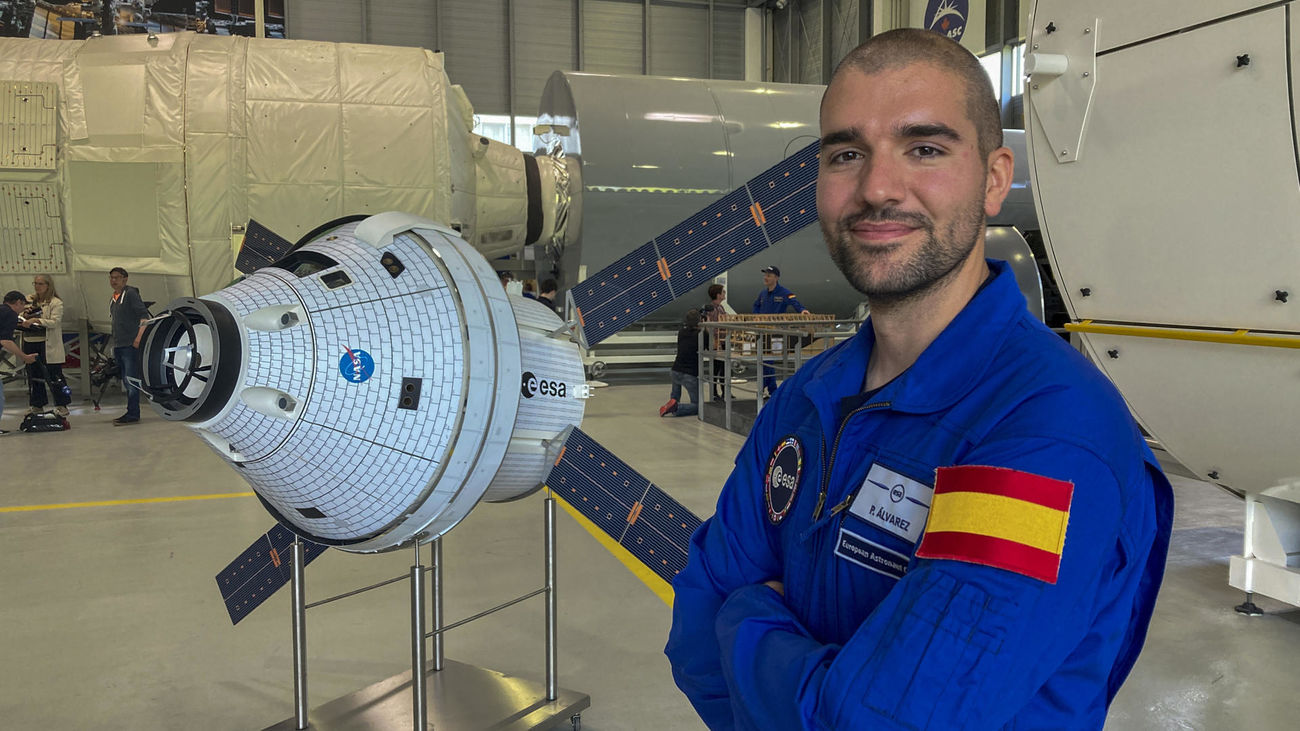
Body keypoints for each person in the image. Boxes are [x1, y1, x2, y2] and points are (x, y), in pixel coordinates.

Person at [665, 28, 1173, 730]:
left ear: (994, 179)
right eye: (846, 153)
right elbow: (692, 638)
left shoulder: (1050, 429)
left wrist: (749, 614)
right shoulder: (807, 400)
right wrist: (799, 667)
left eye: (925, 148)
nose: (876, 188)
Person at [18, 274, 72, 417]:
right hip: (30, 342)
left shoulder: (55, 302)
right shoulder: (29, 299)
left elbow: (55, 322)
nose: (37, 286)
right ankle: (37, 404)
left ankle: (62, 404)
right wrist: (25, 315)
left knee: (54, 374)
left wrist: (38, 320)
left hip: (47, 344)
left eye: (40, 284)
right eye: (35, 283)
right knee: (33, 375)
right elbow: (21, 314)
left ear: (48, 285)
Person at [751, 266, 809, 397]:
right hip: (763, 332)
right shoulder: (763, 294)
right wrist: (756, 316)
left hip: (777, 333)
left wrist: (802, 310)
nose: (766, 278)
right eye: (765, 275)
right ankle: (772, 390)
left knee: (768, 360)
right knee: (765, 361)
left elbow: (794, 302)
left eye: (769, 275)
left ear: (776, 278)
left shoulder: (784, 292)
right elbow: (756, 305)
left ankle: (768, 389)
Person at [108, 267, 150, 425]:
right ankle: (131, 410)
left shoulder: (130, 294)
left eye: (117, 278)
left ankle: (133, 413)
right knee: (126, 380)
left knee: (131, 379)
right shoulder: (114, 298)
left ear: (125, 279)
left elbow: (144, 316)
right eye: (111, 278)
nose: (113, 281)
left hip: (129, 344)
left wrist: (138, 337)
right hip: (120, 344)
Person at [1, 291, 39, 434]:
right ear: (18, 302)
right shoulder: (11, 314)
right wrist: (24, 356)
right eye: (23, 305)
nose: (23, 309)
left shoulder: (2, 310)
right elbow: (5, 340)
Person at [659, 309, 702, 418]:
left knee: (675, 396)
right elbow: (706, 345)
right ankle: (678, 408)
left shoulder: (681, 332)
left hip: (675, 370)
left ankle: (673, 403)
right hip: (690, 374)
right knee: (698, 406)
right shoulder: (700, 335)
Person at [702, 284, 728, 400]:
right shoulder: (711, 309)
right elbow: (707, 326)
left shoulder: (721, 308)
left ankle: (724, 392)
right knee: (716, 368)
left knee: (724, 368)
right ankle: (714, 393)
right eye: (723, 292)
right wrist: (713, 341)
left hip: (723, 341)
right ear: (718, 295)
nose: (724, 293)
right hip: (716, 342)